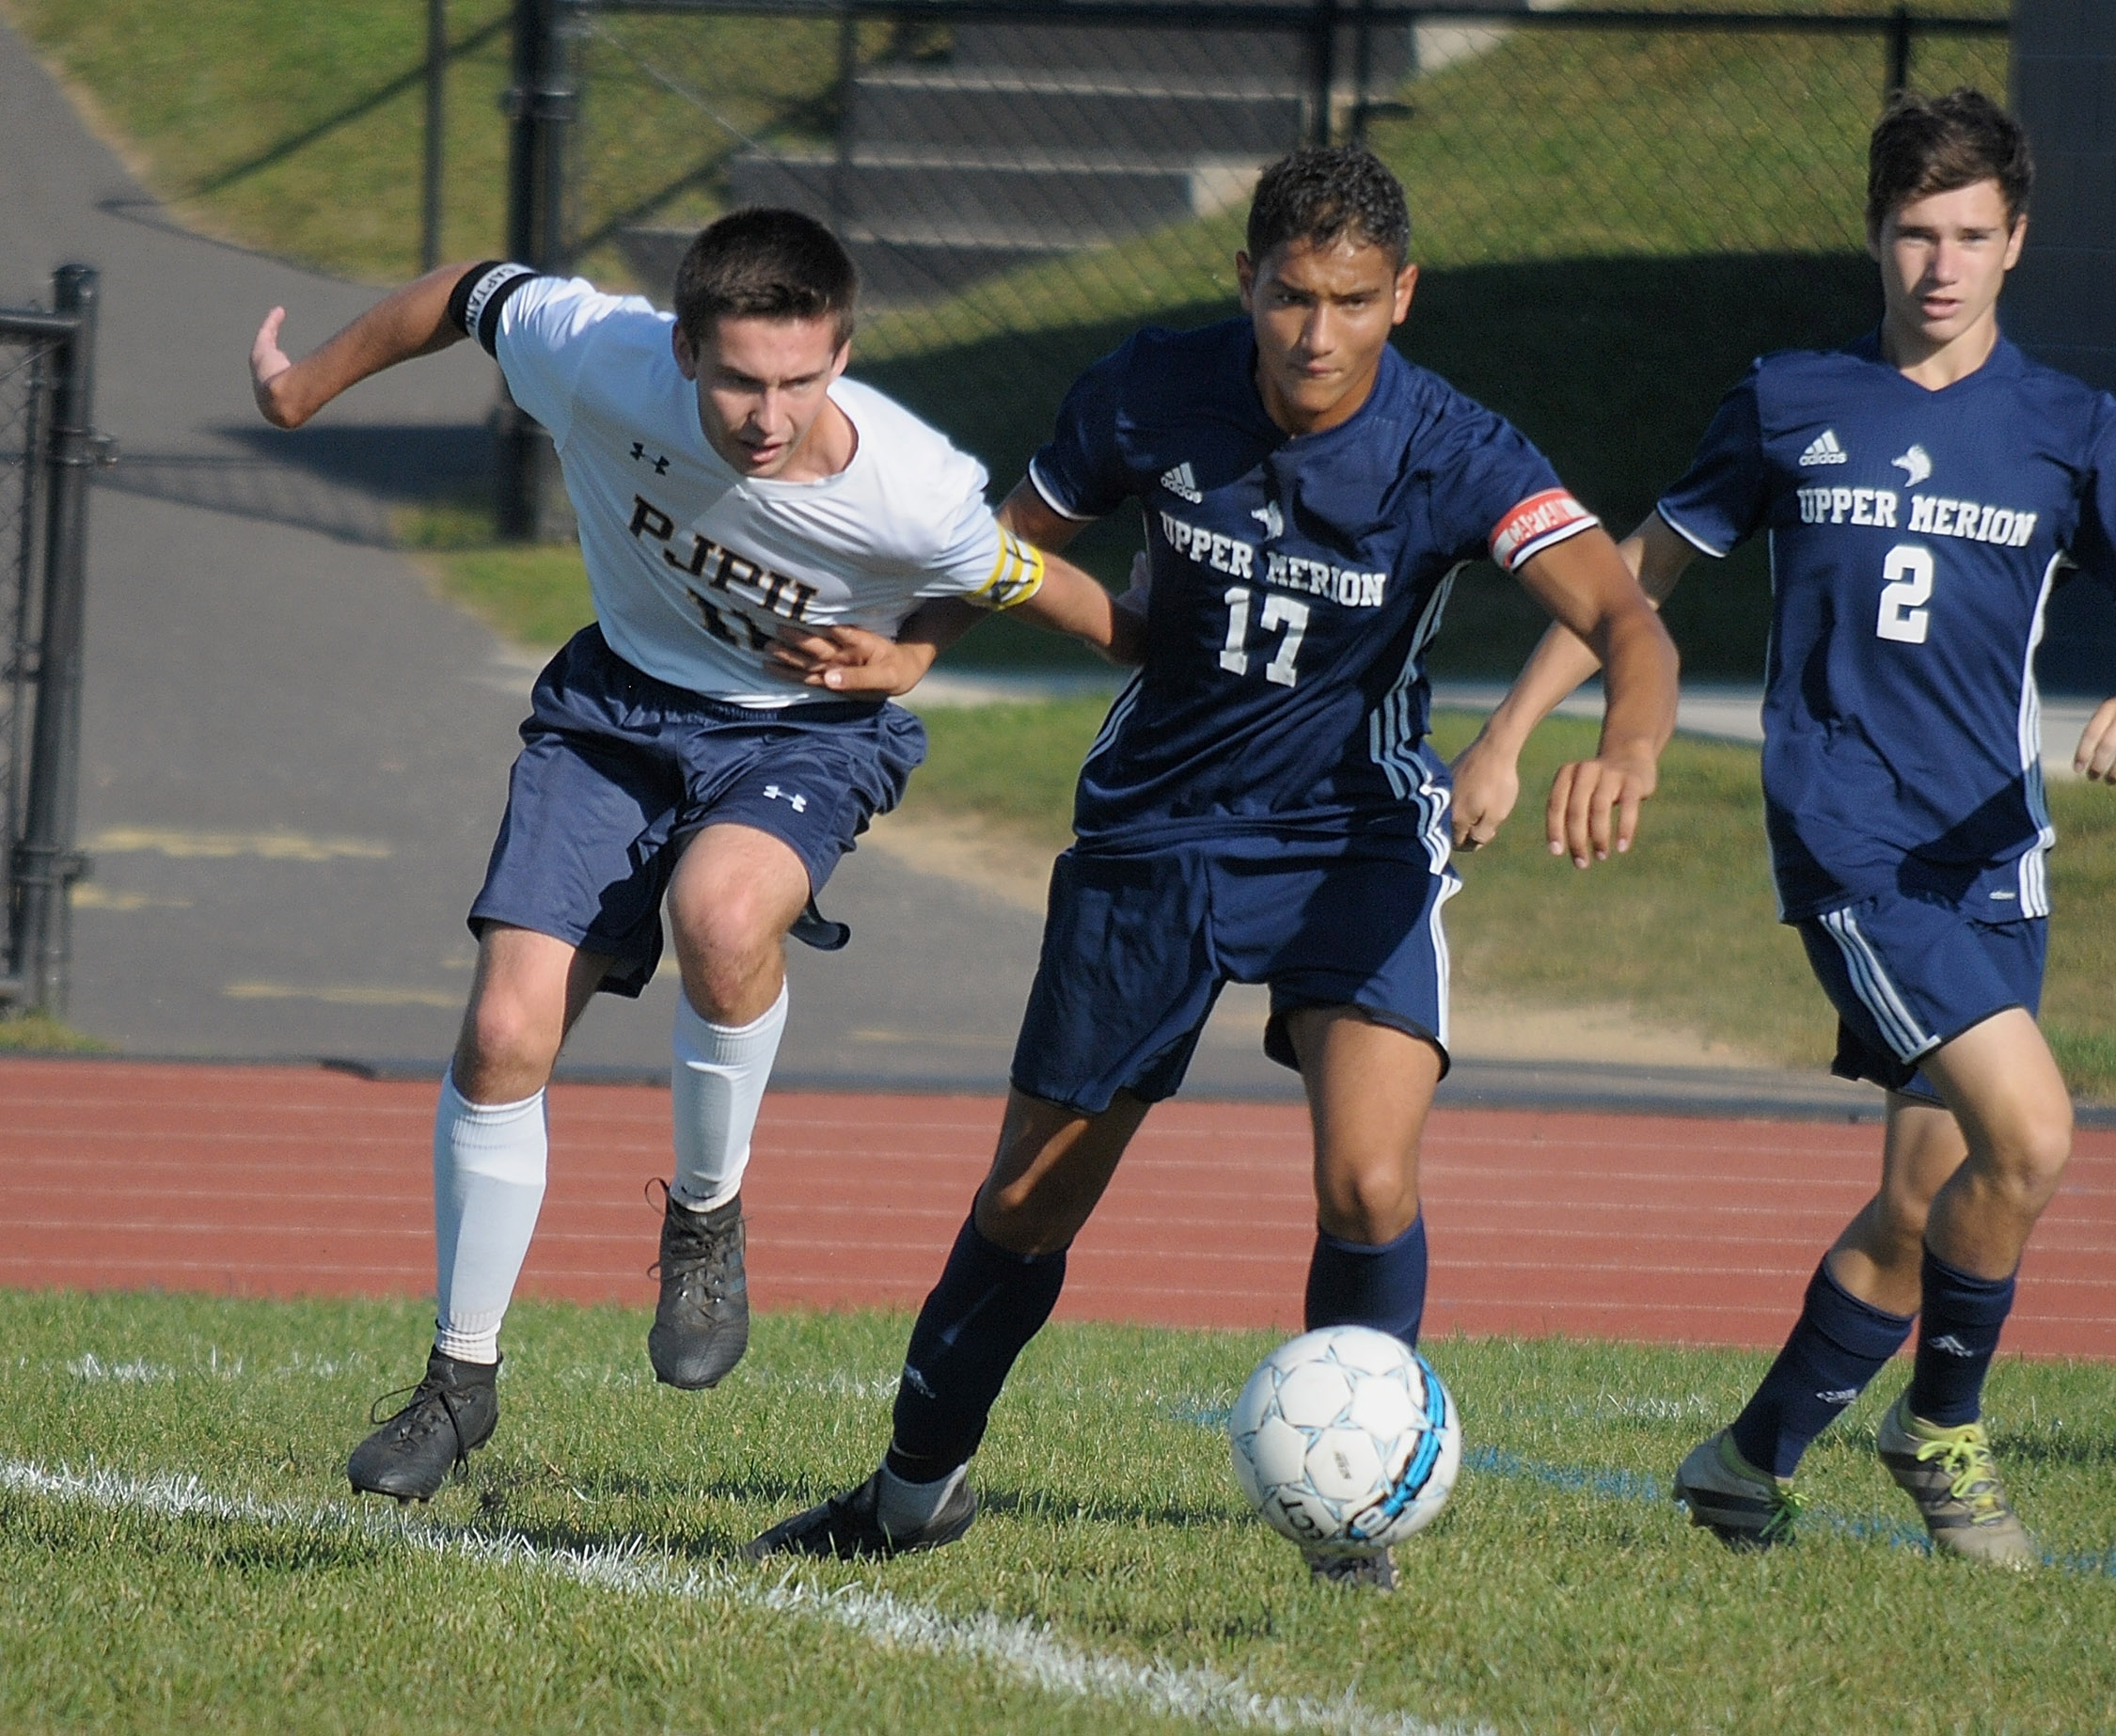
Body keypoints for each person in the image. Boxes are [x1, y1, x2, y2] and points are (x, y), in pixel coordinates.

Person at [744, 144, 1679, 1588]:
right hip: (1157, 826)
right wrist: (912, 648)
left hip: (1350, 834)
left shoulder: (1457, 449)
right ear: (1242, 279)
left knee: (1368, 1180)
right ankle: (911, 1488)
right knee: (1029, 1198)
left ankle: (1353, 1517)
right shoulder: (1148, 386)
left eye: (1352, 301)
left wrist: (1626, 744)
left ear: (1401, 297)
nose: (1316, 335)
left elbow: (1626, 618)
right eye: (1291, 296)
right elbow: (1014, 541)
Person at [249, 208, 1138, 1502]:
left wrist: (914, 653)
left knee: (723, 917)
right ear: (682, 349)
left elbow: (1047, 591)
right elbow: (460, 292)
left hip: (805, 734)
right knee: (502, 1033)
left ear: (840, 355)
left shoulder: (913, 484)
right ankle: (458, 1377)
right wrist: (299, 389)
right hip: (615, 707)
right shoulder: (600, 356)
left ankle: (706, 1221)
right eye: (735, 378)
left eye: (798, 378)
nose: (766, 414)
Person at [1448, 88, 2116, 1566]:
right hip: (1850, 844)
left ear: (2015, 244)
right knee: (2037, 1131)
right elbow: (1631, 579)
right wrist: (1506, 730)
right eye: (1910, 233)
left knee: (1925, 1197)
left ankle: (1746, 1459)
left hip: (1992, 853)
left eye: (1967, 235)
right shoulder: (1789, 402)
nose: (1936, 264)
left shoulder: (2071, 430)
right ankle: (1940, 1433)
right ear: (1872, 237)